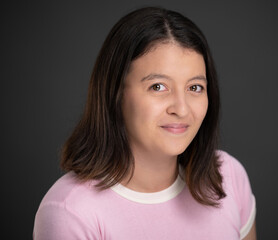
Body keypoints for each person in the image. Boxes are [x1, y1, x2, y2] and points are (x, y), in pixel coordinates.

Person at [33, 7, 257, 240]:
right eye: (158, 86)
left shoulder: (229, 177)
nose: (181, 109)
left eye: (195, 87)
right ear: (115, 93)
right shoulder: (70, 212)